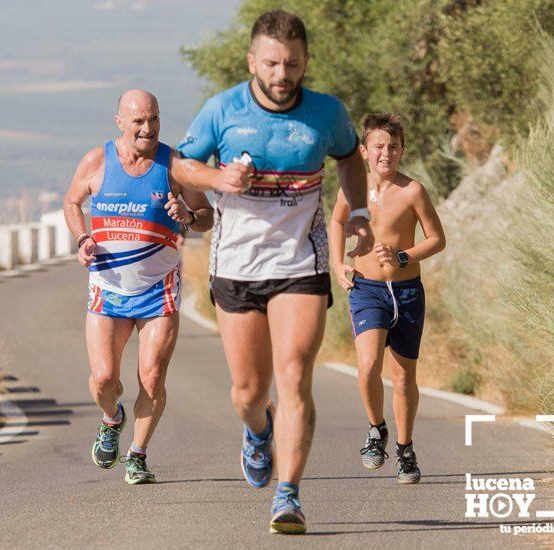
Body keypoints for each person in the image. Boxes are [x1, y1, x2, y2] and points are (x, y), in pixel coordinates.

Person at [174, 10, 374, 534]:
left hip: (298, 263)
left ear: (305, 61)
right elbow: (180, 164)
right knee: (248, 391)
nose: (281, 74)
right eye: (271, 63)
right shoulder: (223, 110)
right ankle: (257, 431)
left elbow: (351, 158)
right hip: (236, 265)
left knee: (293, 377)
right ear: (252, 62)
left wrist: (358, 212)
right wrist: (219, 177)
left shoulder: (326, 113)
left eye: (291, 63)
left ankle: (288, 496)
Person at [62, 89, 216, 485]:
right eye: (138, 122)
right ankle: (112, 418)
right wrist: (82, 239)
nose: (148, 128)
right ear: (120, 122)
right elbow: (71, 202)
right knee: (103, 379)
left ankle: (138, 454)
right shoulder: (98, 160)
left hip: (158, 289)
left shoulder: (174, 163)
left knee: (151, 377)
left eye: (154, 120)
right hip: (108, 288)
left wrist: (187, 215)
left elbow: (206, 217)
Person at [328, 113, 446, 484]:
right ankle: (376, 429)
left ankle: (406, 450)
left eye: (393, 147)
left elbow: (436, 238)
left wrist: (404, 256)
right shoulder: (351, 187)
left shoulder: (413, 191)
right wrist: (336, 263)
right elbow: (335, 222)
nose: (386, 153)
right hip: (367, 289)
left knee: (404, 377)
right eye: (379, 146)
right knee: (367, 366)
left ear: (401, 150)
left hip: (407, 291)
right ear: (364, 151)